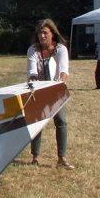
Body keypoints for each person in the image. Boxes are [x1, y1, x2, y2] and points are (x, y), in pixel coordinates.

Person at [26, 19, 73, 169]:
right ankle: (35, 157)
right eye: (40, 33)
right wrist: (34, 80)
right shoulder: (33, 50)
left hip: (56, 90)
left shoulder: (61, 49)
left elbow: (64, 71)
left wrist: (60, 82)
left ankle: (62, 158)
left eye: (45, 32)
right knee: (37, 124)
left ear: (52, 33)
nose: (42, 36)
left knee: (61, 122)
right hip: (39, 91)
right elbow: (32, 71)